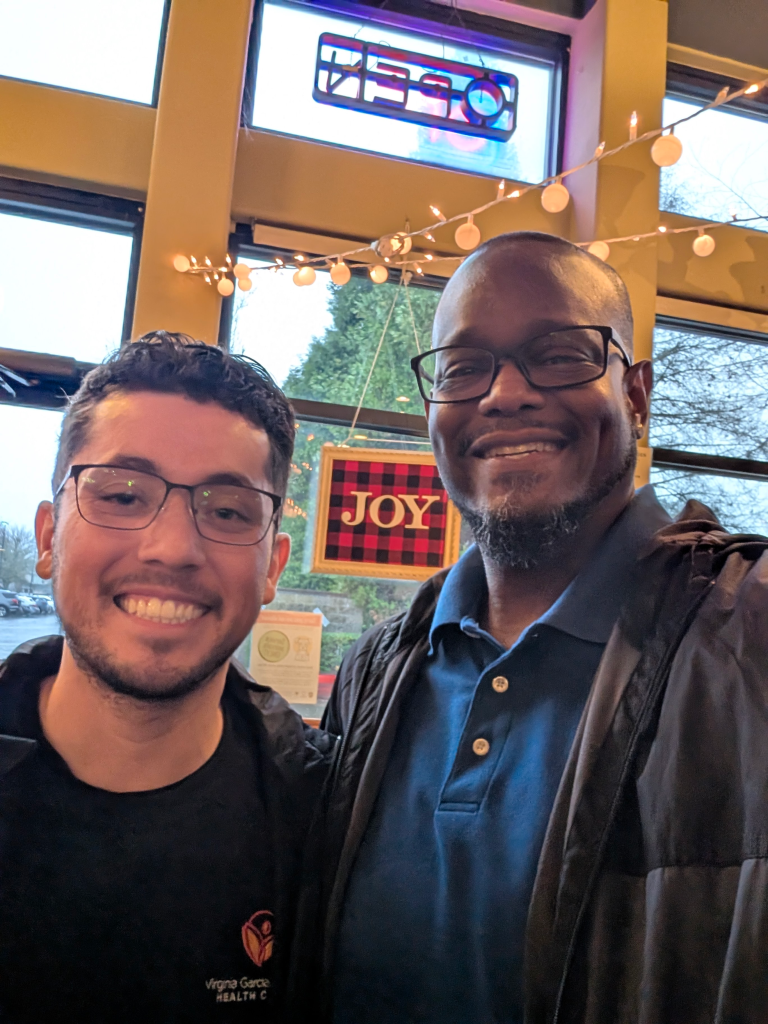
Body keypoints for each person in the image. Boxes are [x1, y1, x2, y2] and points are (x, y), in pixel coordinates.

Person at [303, 232, 768, 1024]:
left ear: (637, 395)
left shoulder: (748, 634)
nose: (504, 393)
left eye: (558, 354)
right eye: (463, 367)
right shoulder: (378, 670)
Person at [0, 333, 335, 1023]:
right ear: (48, 537)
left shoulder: (329, 825)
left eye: (227, 511)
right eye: (122, 495)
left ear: (272, 566)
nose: (174, 548)